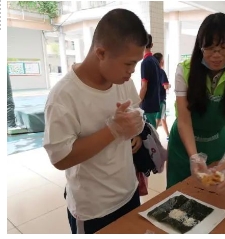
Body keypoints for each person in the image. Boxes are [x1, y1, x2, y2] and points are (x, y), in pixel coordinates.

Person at [43, 9, 148, 234]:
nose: (131, 72)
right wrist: (113, 130)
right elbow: (60, 159)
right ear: (101, 53)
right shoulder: (64, 96)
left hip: (128, 193)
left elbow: (135, 113)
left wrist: (135, 130)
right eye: (128, 64)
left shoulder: (122, 81)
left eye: (136, 64)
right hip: (93, 209)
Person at [167, 13, 225, 190]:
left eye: (223, 48)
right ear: (200, 47)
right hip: (184, 145)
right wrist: (193, 156)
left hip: (216, 141)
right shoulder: (184, 70)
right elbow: (184, 119)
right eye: (209, 48)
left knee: (211, 193)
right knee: (178, 194)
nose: (216, 55)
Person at [139, 34, 161, 128]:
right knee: (153, 130)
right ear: (151, 45)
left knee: (150, 133)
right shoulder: (155, 61)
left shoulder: (146, 62)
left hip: (148, 104)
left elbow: (144, 86)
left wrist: (137, 102)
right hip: (155, 101)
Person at [153, 52, 170, 139]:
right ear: (161, 61)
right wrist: (169, 85)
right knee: (158, 119)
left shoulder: (152, 71)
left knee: (163, 118)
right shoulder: (161, 71)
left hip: (154, 99)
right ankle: (152, 137)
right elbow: (166, 86)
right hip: (161, 100)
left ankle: (168, 135)